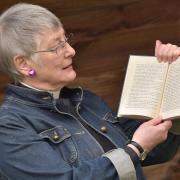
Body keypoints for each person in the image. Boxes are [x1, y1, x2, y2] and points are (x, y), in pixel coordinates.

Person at [0, 3, 179, 180]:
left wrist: (172, 75)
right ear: (23, 64)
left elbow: (158, 152)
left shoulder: (88, 101)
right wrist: (136, 148)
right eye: (56, 47)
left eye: (66, 40)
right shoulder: (9, 127)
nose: (71, 51)